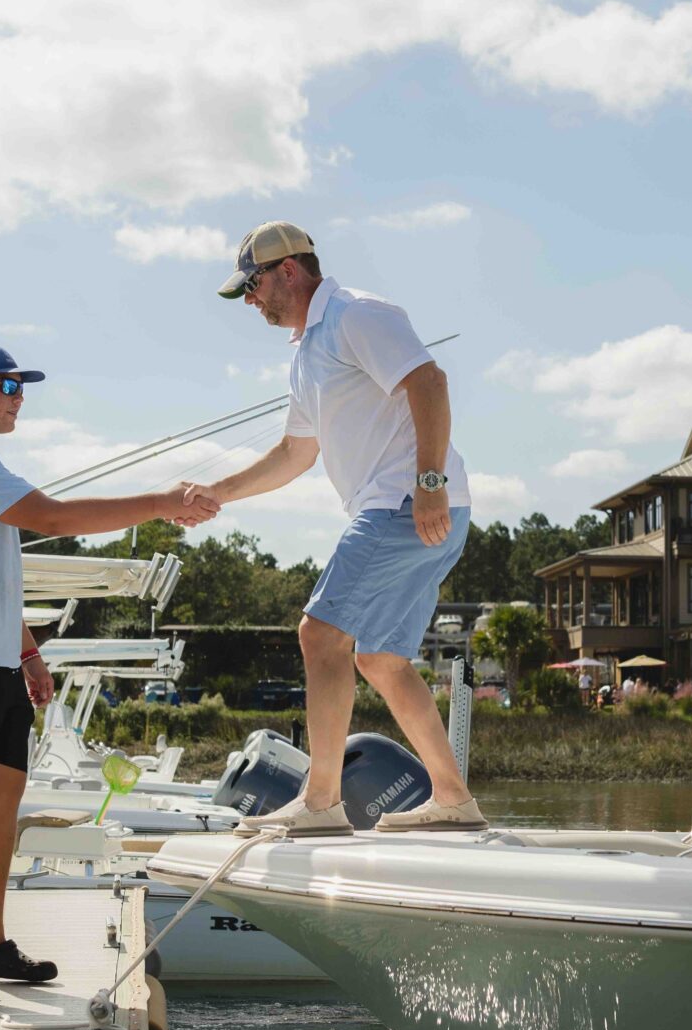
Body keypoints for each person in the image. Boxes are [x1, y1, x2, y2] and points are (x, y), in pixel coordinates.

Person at [0, 342, 218, 1001]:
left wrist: (28, 652)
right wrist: (161, 502)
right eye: (4, 384)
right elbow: (57, 519)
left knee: (2, 797)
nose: (17, 395)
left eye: (21, 385)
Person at [186, 222, 479, 836]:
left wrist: (429, 484)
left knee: (320, 636)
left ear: (289, 270)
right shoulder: (304, 352)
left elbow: (429, 382)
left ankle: (320, 803)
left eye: (254, 284)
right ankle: (452, 797)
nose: (249, 299)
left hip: (404, 501)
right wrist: (221, 492)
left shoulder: (353, 314)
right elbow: (295, 454)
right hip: (412, 505)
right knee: (382, 660)